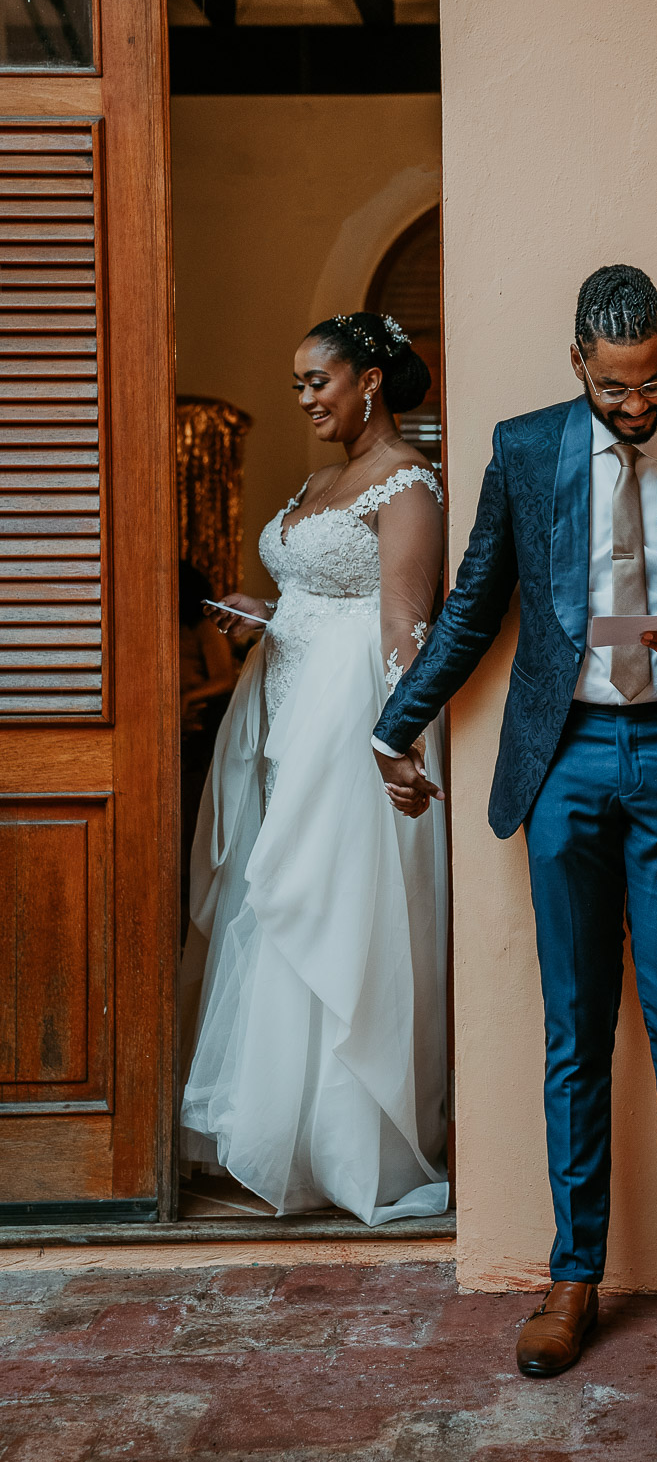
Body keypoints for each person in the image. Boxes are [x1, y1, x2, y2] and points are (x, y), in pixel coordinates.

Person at [373, 265, 657, 1376]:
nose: (641, 406)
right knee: (574, 1030)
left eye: (656, 382)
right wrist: (394, 725)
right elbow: (473, 608)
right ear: (578, 366)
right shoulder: (522, 451)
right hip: (563, 763)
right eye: (618, 389)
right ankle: (574, 1278)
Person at [179, 311, 449, 1227]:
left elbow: (407, 625)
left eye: (315, 382)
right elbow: (316, 600)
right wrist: (268, 614)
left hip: (350, 729)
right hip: (281, 714)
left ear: (368, 379)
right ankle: (274, 1127)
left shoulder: (409, 486)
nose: (304, 399)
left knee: (327, 909)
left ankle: (344, 1141)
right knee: (272, 902)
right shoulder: (321, 480)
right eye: (297, 385)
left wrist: (397, 741)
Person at [178, 558, 237, 943]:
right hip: (164, 732)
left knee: (189, 818)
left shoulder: (202, 627)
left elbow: (225, 678)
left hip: (195, 737)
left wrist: (184, 699)